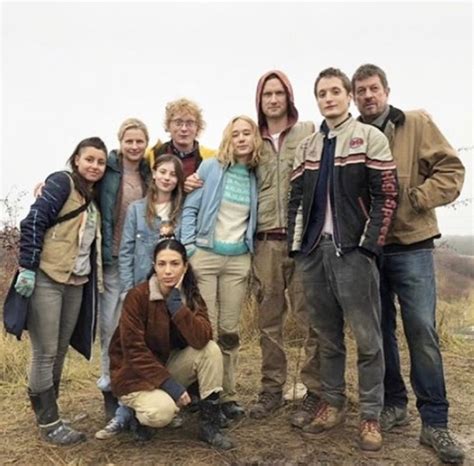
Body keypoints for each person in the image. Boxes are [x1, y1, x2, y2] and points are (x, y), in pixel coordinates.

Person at [352, 64, 465, 463]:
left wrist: (416, 198)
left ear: (386, 90)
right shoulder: (354, 134)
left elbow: (452, 169)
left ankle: (435, 422)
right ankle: (392, 405)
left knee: (422, 332)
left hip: (413, 245)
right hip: (370, 250)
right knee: (380, 332)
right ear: (353, 97)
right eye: (360, 91)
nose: (368, 96)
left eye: (373, 88)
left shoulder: (416, 123)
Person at [288, 67, 398, 451]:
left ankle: (370, 414)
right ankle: (332, 403)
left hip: (353, 252)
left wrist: (369, 245)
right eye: (322, 93)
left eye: (336, 91)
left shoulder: (370, 138)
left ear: (348, 96)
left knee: (368, 339)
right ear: (316, 99)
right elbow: (296, 201)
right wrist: (298, 248)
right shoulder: (308, 147)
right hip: (315, 253)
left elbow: (386, 195)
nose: (329, 98)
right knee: (327, 337)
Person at [12, 137, 107, 445]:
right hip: (48, 279)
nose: (94, 166)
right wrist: (27, 266)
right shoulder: (61, 183)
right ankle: (49, 423)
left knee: (60, 351)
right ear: (76, 159)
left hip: (76, 283)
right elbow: (34, 220)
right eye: (89, 159)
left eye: (100, 162)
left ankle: (48, 411)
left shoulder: (92, 197)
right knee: (45, 351)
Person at [108, 239, 234, 450]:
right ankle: (137, 415)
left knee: (211, 349)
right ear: (154, 266)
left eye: (175, 264)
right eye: (162, 264)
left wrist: (177, 306)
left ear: (185, 266)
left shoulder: (190, 295)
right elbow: (134, 351)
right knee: (161, 413)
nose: (168, 271)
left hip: (165, 368)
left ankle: (209, 426)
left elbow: (202, 338)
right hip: (135, 376)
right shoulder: (137, 297)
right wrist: (171, 386)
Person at [249, 70, 321, 427]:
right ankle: (271, 390)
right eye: (267, 95)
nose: (273, 100)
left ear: (289, 97)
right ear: (259, 101)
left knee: (311, 318)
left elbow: (347, 132)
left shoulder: (308, 131)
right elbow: (219, 159)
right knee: (269, 322)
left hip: (303, 241)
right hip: (265, 243)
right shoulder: (251, 140)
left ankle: (315, 392)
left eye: (279, 93)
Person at [95, 153, 185, 439]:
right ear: (154, 174)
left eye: (173, 173)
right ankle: (125, 412)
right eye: (162, 171)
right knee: (131, 348)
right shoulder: (137, 209)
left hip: (168, 291)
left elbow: (182, 252)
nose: (167, 177)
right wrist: (125, 290)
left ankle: (154, 407)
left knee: (160, 346)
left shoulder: (181, 210)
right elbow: (126, 252)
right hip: (138, 290)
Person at [181, 115, 262, 421]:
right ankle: (205, 396)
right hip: (205, 255)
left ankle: (227, 395)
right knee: (205, 330)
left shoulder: (256, 173)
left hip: (238, 260)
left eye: (247, 134)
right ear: (229, 137)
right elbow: (190, 208)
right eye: (236, 133)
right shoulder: (211, 167)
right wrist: (189, 248)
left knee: (229, 331)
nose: (242, 139)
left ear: (255, 139)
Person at [97, 118, 151, 421]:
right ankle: (109, 387)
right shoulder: (109, 168)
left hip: (137, 261)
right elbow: (84, 177)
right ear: (120, 141)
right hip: (110, 260)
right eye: (129, 140)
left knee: (134, 330)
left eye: (139, 141)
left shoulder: (147, 171)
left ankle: (132, 392)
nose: (134, 146)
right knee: (109, 328)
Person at [147, 98, 215, 193]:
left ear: (198, 127)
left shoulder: (210, 158)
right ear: (168, 126)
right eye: (178, 123)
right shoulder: (153, 154)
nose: (184, 128)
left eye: (190, 123)